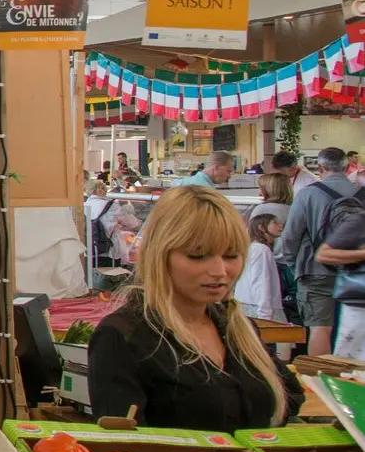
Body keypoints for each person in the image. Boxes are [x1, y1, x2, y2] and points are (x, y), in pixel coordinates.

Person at [87, 185, 300, 431]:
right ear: (160, 255)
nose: (220, 271)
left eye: (231, 256)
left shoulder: (238, 328)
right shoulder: (123, 337)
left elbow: (289, 396)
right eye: (198, 256)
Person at [278, 146, 356, 356]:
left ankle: (319, 382)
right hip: (357, 273)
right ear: (347, 167)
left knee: (320, 329)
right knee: (355, 331)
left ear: (320, 168)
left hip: (315, 271)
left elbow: (291, 236)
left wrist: (295, 264)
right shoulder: (361, 193)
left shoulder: (308, 194)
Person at [235, 213, 289, 328]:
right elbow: (260, 282)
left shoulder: (253, 248)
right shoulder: (261, 250)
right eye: (274, 223)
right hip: (260, 310)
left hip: (249, 307)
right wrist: (265, 315)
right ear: (261, 227)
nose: (280, 226)